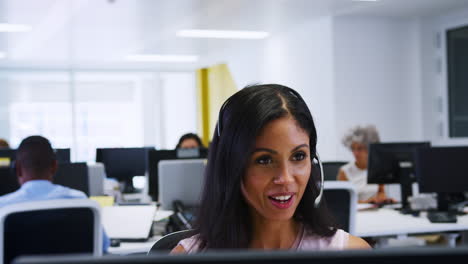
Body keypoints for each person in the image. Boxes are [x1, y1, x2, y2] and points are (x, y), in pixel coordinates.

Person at [172, 84, 370, 253]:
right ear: (230, 167)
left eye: (298, 156)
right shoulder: (190, 256)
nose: (285, 179)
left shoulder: (347, 253)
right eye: (264, 160)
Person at [0, 135, 110, 253]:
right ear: (54, 166)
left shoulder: (4, 207)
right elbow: (102, 246)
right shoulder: (82, 203)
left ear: (17, 169)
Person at [337, 125, 393, 204]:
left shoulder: (378, 169)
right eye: (353, 149)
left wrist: (383, 198)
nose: (355, 153)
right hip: (357, 213)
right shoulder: (344, 171)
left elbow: (381, 192)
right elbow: (344, 200)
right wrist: (368, 202)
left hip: (377, 211)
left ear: (368, 149)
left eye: (359, 149)